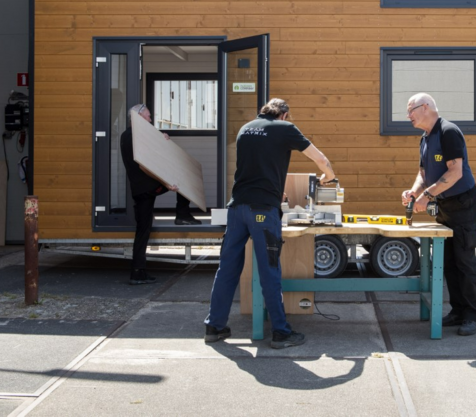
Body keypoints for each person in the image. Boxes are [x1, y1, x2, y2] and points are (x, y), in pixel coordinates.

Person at [204, 98, 336, 349]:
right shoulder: (285, 128)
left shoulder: (245, 128)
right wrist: (329, 176)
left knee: (228, 268)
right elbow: (320, 159)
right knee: (269, 270)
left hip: (237, 207)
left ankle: (214, 326)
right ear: (285, 115)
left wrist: (277, 191)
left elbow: (256, 168)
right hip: (263, 211)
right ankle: (280, 332)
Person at [401, 93, 476, 336]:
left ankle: (471, 316)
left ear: (425, 107)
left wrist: (427, 196)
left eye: (411, 110)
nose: (408, 116)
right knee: (447, 262)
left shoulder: (449, 131)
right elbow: (423, 173)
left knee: (464, 261)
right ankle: (457, 311)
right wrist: (414, 193)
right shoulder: (425, 138)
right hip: (446, 206)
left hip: (464, 204)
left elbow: (455, 172)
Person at [120, 103, 199, 285]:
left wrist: (162, 138)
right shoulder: (136, 136)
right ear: (139, 117)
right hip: (148, 188)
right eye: (147, 117)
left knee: (143, 229)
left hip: (140, 189)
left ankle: (138, 271)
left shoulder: (127, 135)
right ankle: (182, 214)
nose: (150, 120)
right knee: (182, 178)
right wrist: (165, 184)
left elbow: (153, 154)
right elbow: (145, 164)